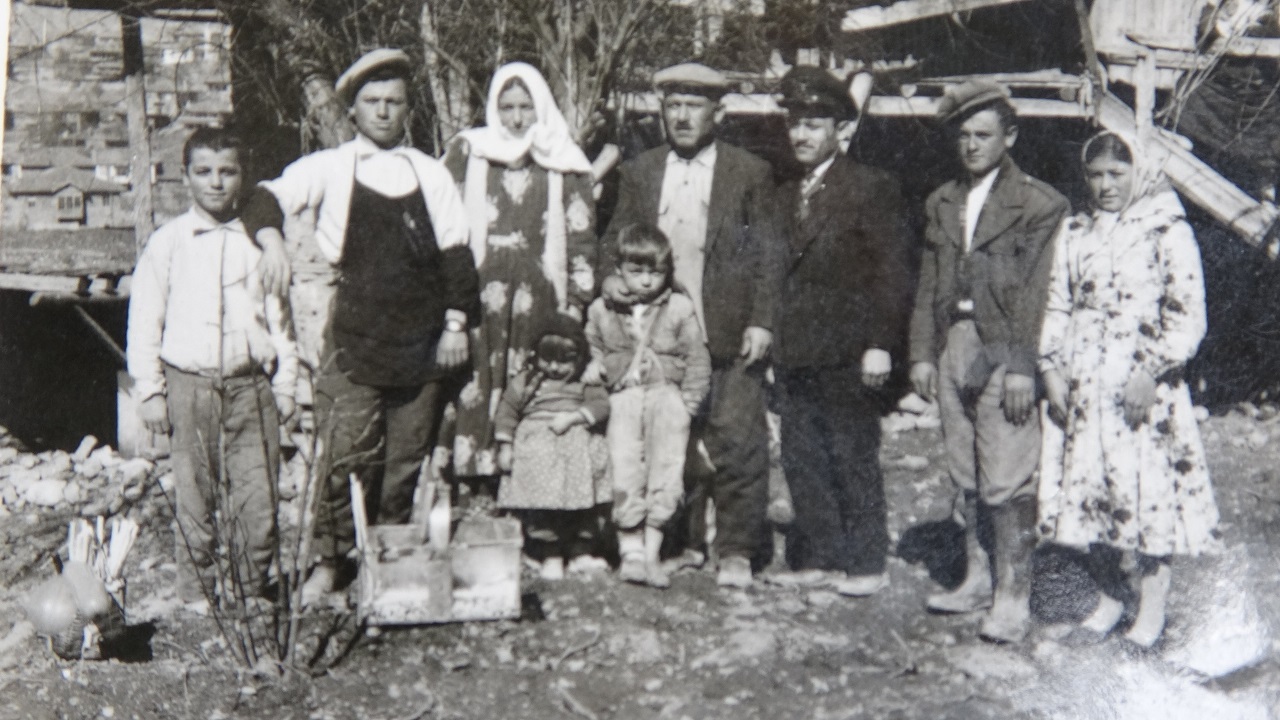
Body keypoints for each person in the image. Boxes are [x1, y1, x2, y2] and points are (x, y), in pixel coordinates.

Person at [243, 49, 480, 603]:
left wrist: (454, 323)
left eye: (393, 102)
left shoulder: (431, 172)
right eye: (372, 102)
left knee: (403, 463)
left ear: (407, 110)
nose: (382, 112)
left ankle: (387, 565)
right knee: (345, 455)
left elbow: (457, 255)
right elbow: (262, 197)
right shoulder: (332, 166)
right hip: (353, 337)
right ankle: (331, 564)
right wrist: (272, 239)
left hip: (422, 342)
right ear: (352, 111)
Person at [601, 62, 783, 589]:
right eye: (673, 105)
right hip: (660, 337)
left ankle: (737, 550)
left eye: (694, 106)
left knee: (738, 440)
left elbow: (769, 256)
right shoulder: (640, 171)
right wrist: (610, 279)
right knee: (670, 441)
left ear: (718, 113)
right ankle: (683, 544)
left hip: (724, 329)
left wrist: (762, 321)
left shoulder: (749, 173)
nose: (681, 116)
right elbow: (612, 239)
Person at [1038, 131, 1221, 647]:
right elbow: (1056, 301)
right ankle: (1110, 595)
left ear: (1137, 173)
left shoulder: (1166, 228)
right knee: (1093, 490)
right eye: (1095, 175)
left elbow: (1188, 313)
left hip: (1144, 386)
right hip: (1083, 380)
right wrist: (1050, 367)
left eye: (1116, 174)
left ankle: (1152, 607)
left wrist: (1152, 371)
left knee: (1146, 492)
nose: (1105, 185)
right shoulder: (1075, 230)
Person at [908, 79, 1070, 642]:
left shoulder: (1040, 204)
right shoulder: (943, 201)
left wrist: (1022, 365)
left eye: (984, 135)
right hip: (956, 342)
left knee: (1006, 476)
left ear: (1011, 136)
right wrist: (922, 354)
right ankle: (976, 578)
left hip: (1004, 348)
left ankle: (1012, 595)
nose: (972, 146)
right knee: (966, 471)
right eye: (964, 136)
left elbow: (1038, 292)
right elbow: (930, 282)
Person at [127, 126, 298, 612]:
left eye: (228, 172)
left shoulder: (260, 243)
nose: (216, 183)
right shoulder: (168, 243)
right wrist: (151, 391)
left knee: (257, 496)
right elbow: (144, 321)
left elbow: (282, 320)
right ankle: (199, 592)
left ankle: (249, 587)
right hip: (190, 385)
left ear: (243, 177)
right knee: (196, 494)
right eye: (204, 172)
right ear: (186, 177)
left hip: (251, 388)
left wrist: (286, 382)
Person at [771, 67, 913, 597]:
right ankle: (822, 555)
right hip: (794, 349)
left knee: (852, 451)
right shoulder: (783, 193)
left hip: (849, 350)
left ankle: (866, 562)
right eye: (795, 124)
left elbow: (893, 272)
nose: (802, 135)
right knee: (802, 453)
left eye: (814, 124)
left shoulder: (871, 187)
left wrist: (879, 343)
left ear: (839, 129)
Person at [442, 62, 597, 485]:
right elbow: (445, 222)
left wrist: (578, 303)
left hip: (539, 296)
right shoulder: (469, 153)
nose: (515, 119)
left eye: (525, 108)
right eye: (506, 107)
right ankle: (471, 476)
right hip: (477, 292)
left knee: (529, 380)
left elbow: (581, 236)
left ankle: (526, 484)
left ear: (540, 108)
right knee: (475, 377)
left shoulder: (562, 160)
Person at [586, 223, 711, 588]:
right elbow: (591, 345)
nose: (645, 282)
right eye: (636, 272)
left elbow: (697, 359)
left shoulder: (679, 307)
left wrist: (686, 405)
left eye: (654, 273)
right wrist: (594, 364)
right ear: (619, 269)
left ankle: (653, 552)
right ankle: (631, 553)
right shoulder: (601, 309)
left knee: (667, 470)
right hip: (622, 399)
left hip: (666, 399)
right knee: (624, 466)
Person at [493, 313, 612, 580]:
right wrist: (506, 447)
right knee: (541, 504)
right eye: (548, 359)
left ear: (579, 358)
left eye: (564, 361)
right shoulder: (526, 381)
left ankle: (581, 551)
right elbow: (508, 411)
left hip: (576, 447)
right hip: (538, 447)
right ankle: (551, 553)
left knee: (586, 501)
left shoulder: (585, 380)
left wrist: (574, 417)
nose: (555, 368)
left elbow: (600, 406)